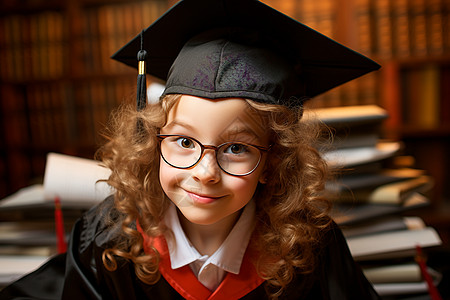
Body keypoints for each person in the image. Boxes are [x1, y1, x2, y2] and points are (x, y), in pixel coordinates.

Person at [0, 0, 381, 299]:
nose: (205, 171)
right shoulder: (108, 239)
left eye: (236, 148)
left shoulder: (310, 247)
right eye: (184, 141)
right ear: (153, 143)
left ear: (273, 160)